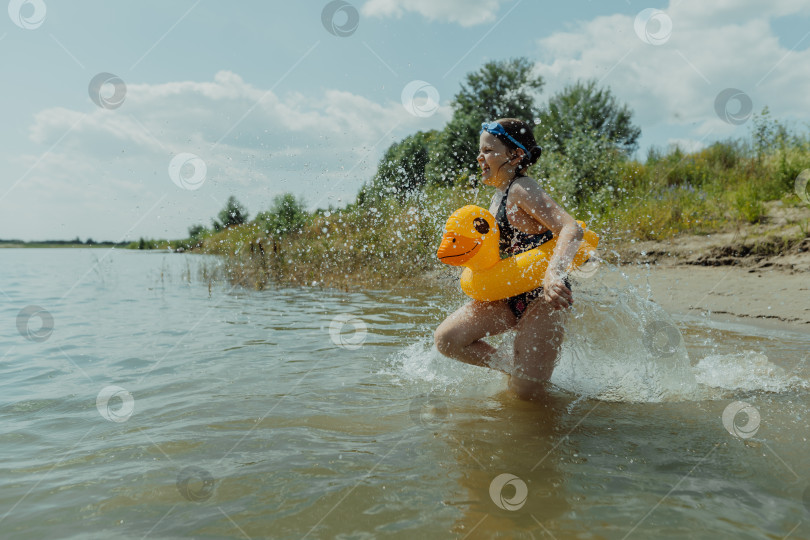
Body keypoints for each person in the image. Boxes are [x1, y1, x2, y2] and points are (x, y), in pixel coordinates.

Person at [434, 118, 584, 401]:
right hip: (506, 297)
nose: (480, 157)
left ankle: (526, 378)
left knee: (527, 393)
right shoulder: (496, 198)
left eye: (489, 150)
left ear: (515, 155)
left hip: (544, 298)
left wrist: (554, 274)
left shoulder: (521, 189)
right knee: (448, 340)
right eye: (480, 150)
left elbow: (570, 228)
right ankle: (513, 368)